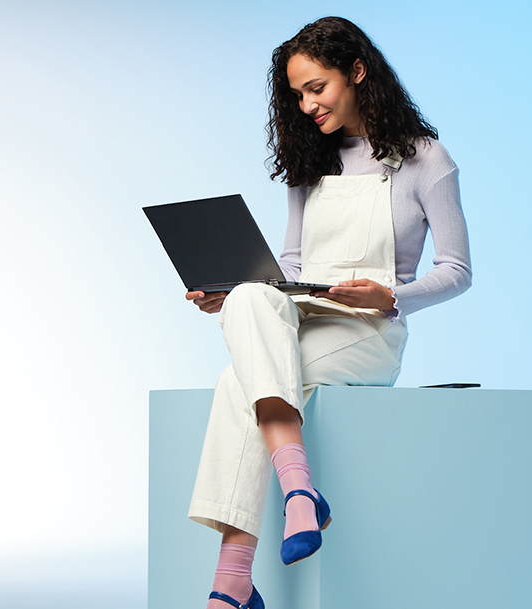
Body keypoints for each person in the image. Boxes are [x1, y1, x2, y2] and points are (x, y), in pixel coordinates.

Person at [185, 16, 471, 609]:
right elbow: (289, 266)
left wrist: (390, 295)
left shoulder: (425, 160)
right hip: (304, 319)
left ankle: (235, 578)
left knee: (237, 380)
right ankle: (298, 494)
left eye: (317, 88)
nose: (308, 105)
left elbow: (458, 272)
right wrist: (230, 296)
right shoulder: (311, 162)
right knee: (250, 296)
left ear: (357, 72)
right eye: (297, 95)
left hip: (368, 332)